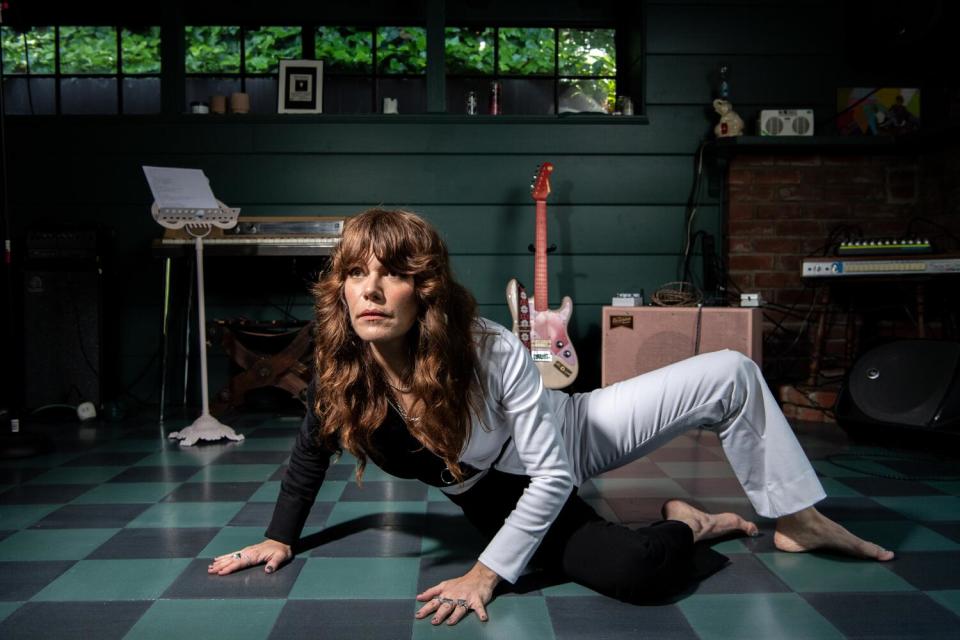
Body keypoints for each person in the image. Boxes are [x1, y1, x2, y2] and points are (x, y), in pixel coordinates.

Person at [209, 208, 893, 626]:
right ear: (343, 286)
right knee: (637, 575)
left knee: (732, 372)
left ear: (424, 288)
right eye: (357, 272)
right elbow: (309, 454)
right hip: (494, 494)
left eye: (391, 272)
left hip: (566, 433)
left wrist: (484, 574)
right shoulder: (341, 370)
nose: (371, 288)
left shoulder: (487, 347)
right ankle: (693, 521)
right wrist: (280, 538)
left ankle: (796, 517)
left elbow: (553, 471)